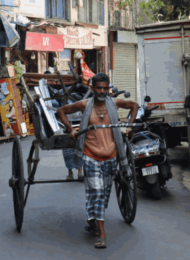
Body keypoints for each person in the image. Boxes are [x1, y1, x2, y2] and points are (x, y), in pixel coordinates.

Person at [57, 73, 138, 249]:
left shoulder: (114, 104)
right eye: (98, 88)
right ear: (92, 88)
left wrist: (130, 125)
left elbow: (134, 105)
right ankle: (102, 232)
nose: (102, 91)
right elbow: (61, 111)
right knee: (98, 191)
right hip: (90, 156)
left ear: (108, 88)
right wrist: (70, 128)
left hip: (111, 156)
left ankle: (92, 219)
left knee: (103, 193)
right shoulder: (84, 105)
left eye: (105, 88)